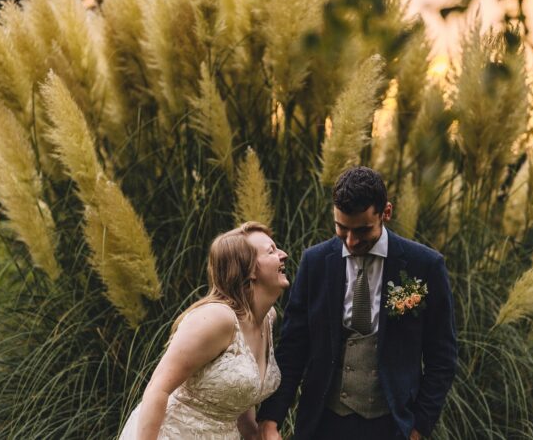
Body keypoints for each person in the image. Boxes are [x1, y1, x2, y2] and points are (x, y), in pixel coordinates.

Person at [257, 166, 457, 440]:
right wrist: (270, 419)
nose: (350, 241)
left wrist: (418, 427)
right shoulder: (314, 262)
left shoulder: (425, 266)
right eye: (342, 228)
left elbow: (442, 358)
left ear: (386, 213)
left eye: (362, 230)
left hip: (392, 425)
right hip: (322, 423)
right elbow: (293, 347)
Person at [119, 221, 289, 440]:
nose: (283, 254)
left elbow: (238, 397)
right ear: (249, 270)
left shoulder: (268, 318)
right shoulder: (216, 319)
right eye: (271, 251)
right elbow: (157, 389)